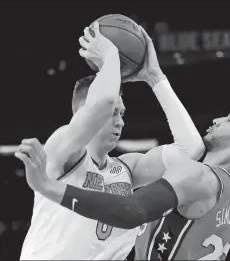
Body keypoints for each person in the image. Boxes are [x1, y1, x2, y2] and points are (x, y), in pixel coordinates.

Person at [18, 22, 204, 260]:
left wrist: (155, 76)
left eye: (122, 113)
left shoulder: (127, 168)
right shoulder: (61, 150)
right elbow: (103, 102)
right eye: (116, 113)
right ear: (82, 110)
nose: (120, 121)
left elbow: (192, 151)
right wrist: (109, 55)